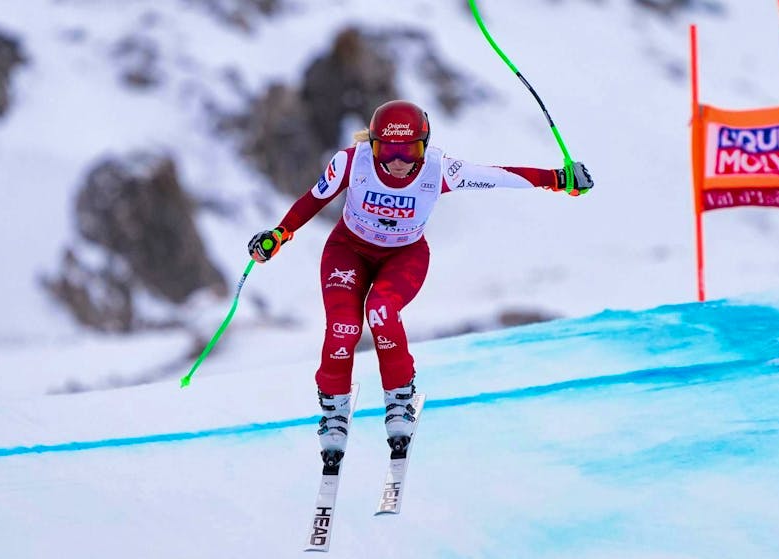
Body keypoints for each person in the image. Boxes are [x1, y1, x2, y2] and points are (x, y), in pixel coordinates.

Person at [247, 100, 593, 468]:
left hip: (403, 256)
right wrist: (279, 234)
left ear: (424, 146)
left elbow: (501, 175)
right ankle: (334, 411)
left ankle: (398, 399)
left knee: (381, 312)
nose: (397, 161)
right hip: (347, 251)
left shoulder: (440, 169)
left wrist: (559, 179)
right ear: (373, 144)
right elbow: (312, 200)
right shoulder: (351, 162)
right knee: (343, 327)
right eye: (387, 150)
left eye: (408, 150)